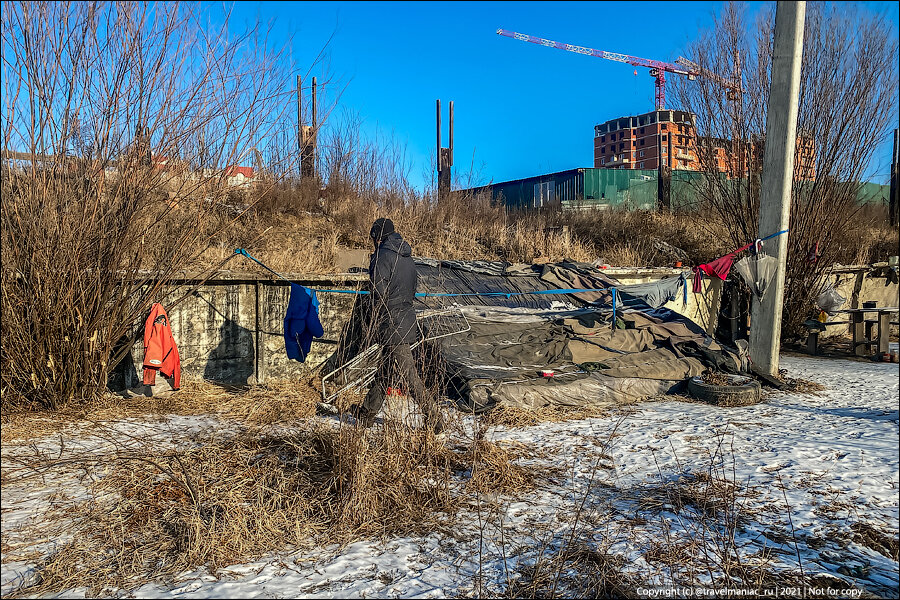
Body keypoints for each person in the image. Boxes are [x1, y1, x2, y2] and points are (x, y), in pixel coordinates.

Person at [351, 218, 444, 433]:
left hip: (391, 323)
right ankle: (366, 412)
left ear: (377, 237)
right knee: (385, 371)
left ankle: (435, 418)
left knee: (409, 375)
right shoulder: (407, 257)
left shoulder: (382, 257)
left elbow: (378, 293)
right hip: (406, 318)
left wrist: (372, 318)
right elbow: (412, 290)